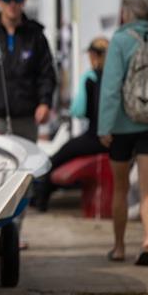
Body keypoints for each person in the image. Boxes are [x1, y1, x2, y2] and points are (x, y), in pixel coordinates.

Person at [99, 0, 148, 266]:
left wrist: (104, 127)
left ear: (127, 12)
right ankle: (147, 242)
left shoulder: (120, 40)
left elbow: (110, 89)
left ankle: (119, 248)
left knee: (120, 188)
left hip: (121, 124)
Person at [34, 37, 110, 211]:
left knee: (57, 158)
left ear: (95, 56)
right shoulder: (117, 77)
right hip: (115, 140)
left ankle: (40, 200)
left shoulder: (91, 78)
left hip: (97, 137)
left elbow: (78, 111)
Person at [0, 0, 56, 141]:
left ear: (24, 0)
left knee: (27, 166)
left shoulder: (36, 36)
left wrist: (45, 102)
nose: (12, 4)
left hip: (27, 120)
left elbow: (47, 73)